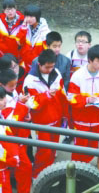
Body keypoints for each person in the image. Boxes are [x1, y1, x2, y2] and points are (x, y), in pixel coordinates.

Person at [23, 49, 67, 178]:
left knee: (52, 149)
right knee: (43, 151)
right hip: (41, 123)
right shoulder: (30, 81)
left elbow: (62, 94)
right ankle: (37, 176)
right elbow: (30, 103)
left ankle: (49, 172)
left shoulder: (56, 73)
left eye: (52, 66)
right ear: (39, 65)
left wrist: (64, 114)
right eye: (47, 67)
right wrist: (46, 95)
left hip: (56, 119)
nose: (50, 70)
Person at [67, 44, 99, 163]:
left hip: (97, 119)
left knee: (92, 146)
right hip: (81, 120)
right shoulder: (78, 76)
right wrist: (87, 100)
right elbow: (71, 97)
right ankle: (75, 170)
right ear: (90, 60)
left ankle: (85, 169)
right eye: (98, 61)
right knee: (79, 148)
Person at [0, 69, 33, 193]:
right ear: (2, 85)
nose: (14, 87)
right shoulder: (2, 100)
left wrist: (26, 112)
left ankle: (16, 180)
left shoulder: (12, 92)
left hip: (20, 135)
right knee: (25, 165)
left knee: (19, 164)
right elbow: (12, 120)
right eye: (11, 85)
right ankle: (23, 192)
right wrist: (22, 105)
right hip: (13, 138)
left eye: (15, 85)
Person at [19, 4, 50, 73]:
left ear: (37, 17)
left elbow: (47, 51)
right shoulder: (25, 27)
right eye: (27, 16)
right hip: (26, 64)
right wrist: (23, 28)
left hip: (38, 66)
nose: (28, 19)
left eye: (31, 16)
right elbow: (19, 42)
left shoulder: (45, 32)